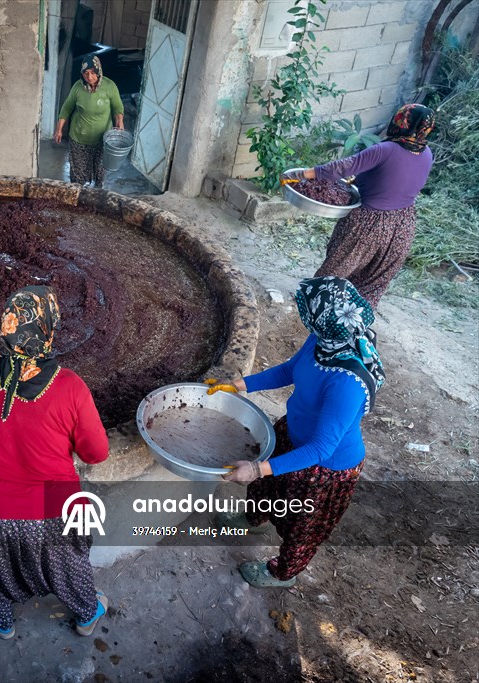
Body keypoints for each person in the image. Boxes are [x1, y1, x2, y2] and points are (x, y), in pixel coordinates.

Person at [206, 276, 384, 588]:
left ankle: (281, 572)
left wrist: (257, 468)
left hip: (325, 467)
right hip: (292, 434)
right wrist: (238, 386)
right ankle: (253, 520)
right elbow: (290, 370)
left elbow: (321, 449)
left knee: (302, 526)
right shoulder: (323, 340)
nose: (305, 320)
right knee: (266, 491)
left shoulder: (346, 383)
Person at [0, 285, 110, 639]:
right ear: (48, 329)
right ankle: (86, 613)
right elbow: (97, 453)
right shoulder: (71, 387)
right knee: (70, 562)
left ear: (7, 326)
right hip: (53, 511)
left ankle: (0, 618)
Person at [282, 103, 436, 309]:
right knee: (372, 282)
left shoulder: (385, 149)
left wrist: (300, 174)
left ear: (401, 122)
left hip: (369, 223)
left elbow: (341, 168)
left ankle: (309, 308)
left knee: (338, 266)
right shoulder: (426, 153)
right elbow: (396, 180)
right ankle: (354, 319)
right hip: (404, 225)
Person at [54, 54, 125, 187]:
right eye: (86, 73)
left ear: (99, 72)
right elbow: (66, 109)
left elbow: (117, 107)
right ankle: (78, 200)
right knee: (78, 175)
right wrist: (59, 130)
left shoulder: (109, 86)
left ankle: (97, 198)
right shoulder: (77, 87)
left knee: (100, 172)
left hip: (102, 139)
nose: (89, 77)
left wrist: (119, 121)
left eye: (93, 73)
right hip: (79, 137)